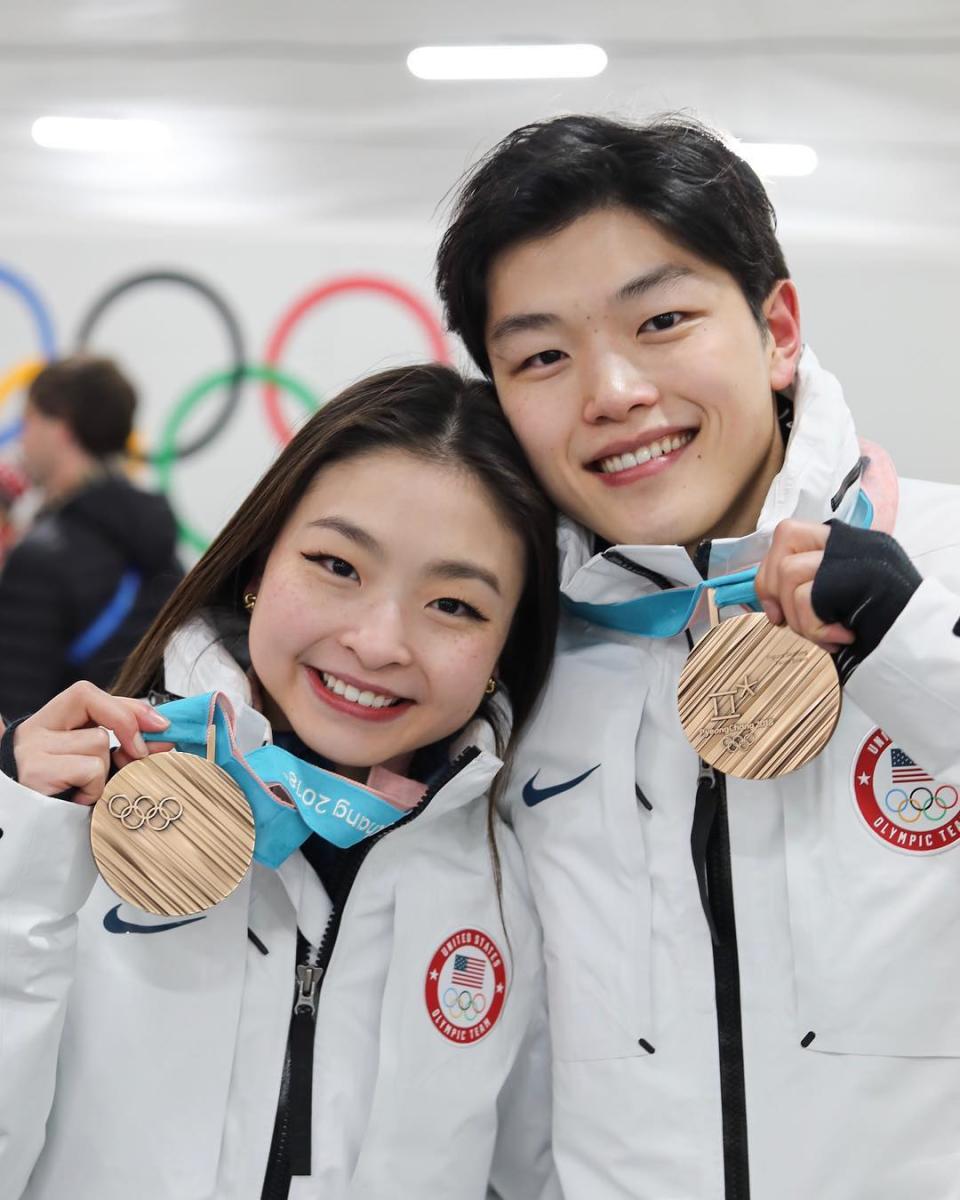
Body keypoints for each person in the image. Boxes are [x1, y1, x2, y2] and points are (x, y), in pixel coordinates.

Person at [435, 113, 960, 1199]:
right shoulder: (499, 658)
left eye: (663, 320)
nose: (614, 392)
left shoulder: (942, 567)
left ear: (777, 330)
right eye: (542, 355)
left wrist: (919, 657)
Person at [0, 364, 562, 1200]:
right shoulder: (76, 817)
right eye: (338, 565)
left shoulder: (515, 885)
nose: (378, 642)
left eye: (454, 606)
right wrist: (21, 848)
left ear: (503, 648)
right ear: (259, 564)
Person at [0, 356, 183, 720]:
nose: (23, 437)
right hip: (144, 760)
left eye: (30, 420)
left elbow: (15, 728)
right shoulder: (157, 538)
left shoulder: (39, 559)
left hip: (58, 768)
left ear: (61, 428)